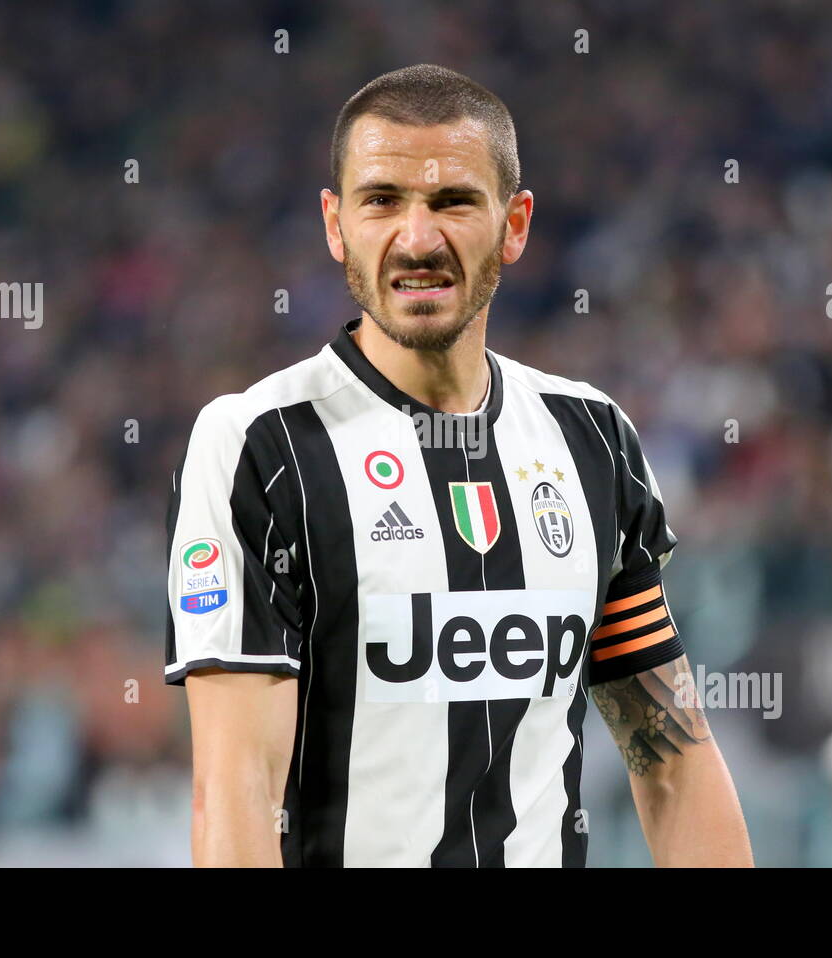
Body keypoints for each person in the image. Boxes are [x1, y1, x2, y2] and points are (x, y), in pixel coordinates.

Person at [166, 63, 752, 867]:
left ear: (514, 224)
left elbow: (674, 762)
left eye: (453, 202)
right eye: (382, 200)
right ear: (335, 224)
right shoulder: (260, 448)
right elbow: (235, 793)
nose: (417, 238)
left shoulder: (592, 441)